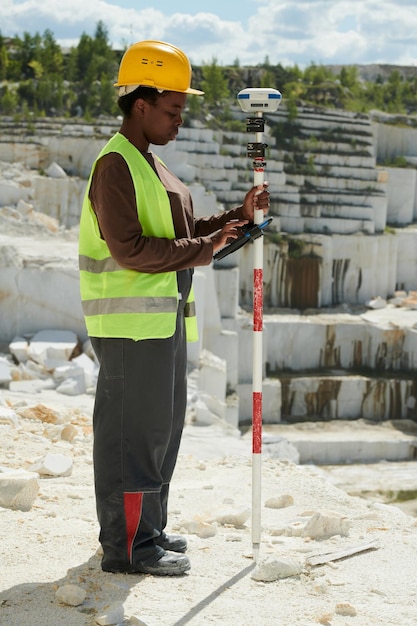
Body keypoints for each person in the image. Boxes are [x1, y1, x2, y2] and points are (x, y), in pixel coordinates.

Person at [78, 40, 270, 577]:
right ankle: (129, 548)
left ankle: (150, 530)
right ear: (141, 103)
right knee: (132, 438)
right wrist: (204, 251)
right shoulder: (116, 166)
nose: (179, 119)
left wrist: (237, 216)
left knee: (161, 432)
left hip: (160, 325)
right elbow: (131, 249)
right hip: (130, 328)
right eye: (173, 109)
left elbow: (181, 235)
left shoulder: (149, 163)